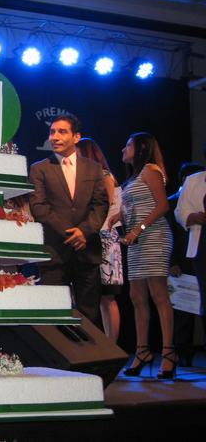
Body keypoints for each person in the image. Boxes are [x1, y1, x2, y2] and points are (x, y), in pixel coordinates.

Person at [29, 114, 108, 324]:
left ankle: (89, 347)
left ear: (76, 137)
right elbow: (39, 207)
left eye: (62, 132)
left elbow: (101, 205)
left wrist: (84, 231)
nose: (55, 137)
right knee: (53, 315)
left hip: (87, 250)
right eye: (52, 132)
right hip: (55, 251)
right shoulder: (39, 168)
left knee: (89, 316)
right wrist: (71, 234)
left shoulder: (93, 168)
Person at [109, 132, 174, 379]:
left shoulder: (150, 170)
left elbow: (162, 205)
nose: (123, 149)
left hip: (153, 237)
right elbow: (136, 205)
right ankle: (142, 350)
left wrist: (139, 228)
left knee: (159, 295)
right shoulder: (134, 176)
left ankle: (168, 353)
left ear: (141, 148)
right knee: (137, 297)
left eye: (128, 145)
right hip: (136, 240)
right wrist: (120, 217)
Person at [77, 137, 123, 342]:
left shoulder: (104, 176)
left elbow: (104, 204)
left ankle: (111, 344)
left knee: (107, 295)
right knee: (90, 295)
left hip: (104, 239)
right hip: (88, 238)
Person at [169, 161, 205, 366]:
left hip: (195, 253)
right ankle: (183, 353)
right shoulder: (173, 201)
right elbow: (172, 232)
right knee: (185, 307)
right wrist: (172, 261)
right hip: (187, 257)